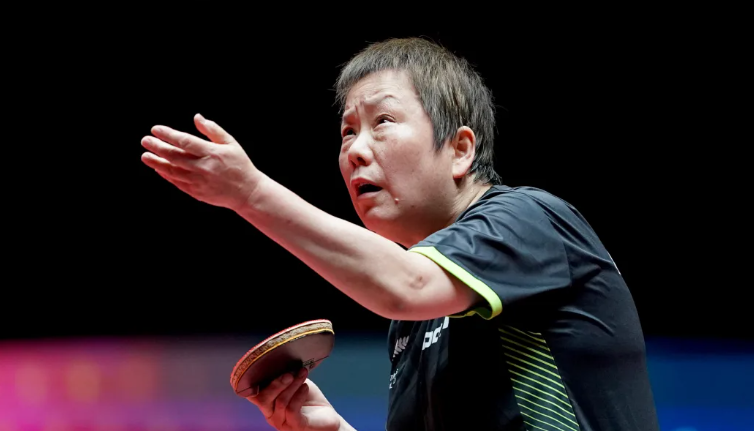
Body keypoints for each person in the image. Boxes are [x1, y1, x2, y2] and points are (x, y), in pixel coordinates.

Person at [140, 37, 659, 431]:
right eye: (348, 132)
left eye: (383, 120)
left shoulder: (530, 222)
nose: (356, 150)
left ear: (459, 150)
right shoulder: (414, 322)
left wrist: (251, 193)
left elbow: (404, 285)